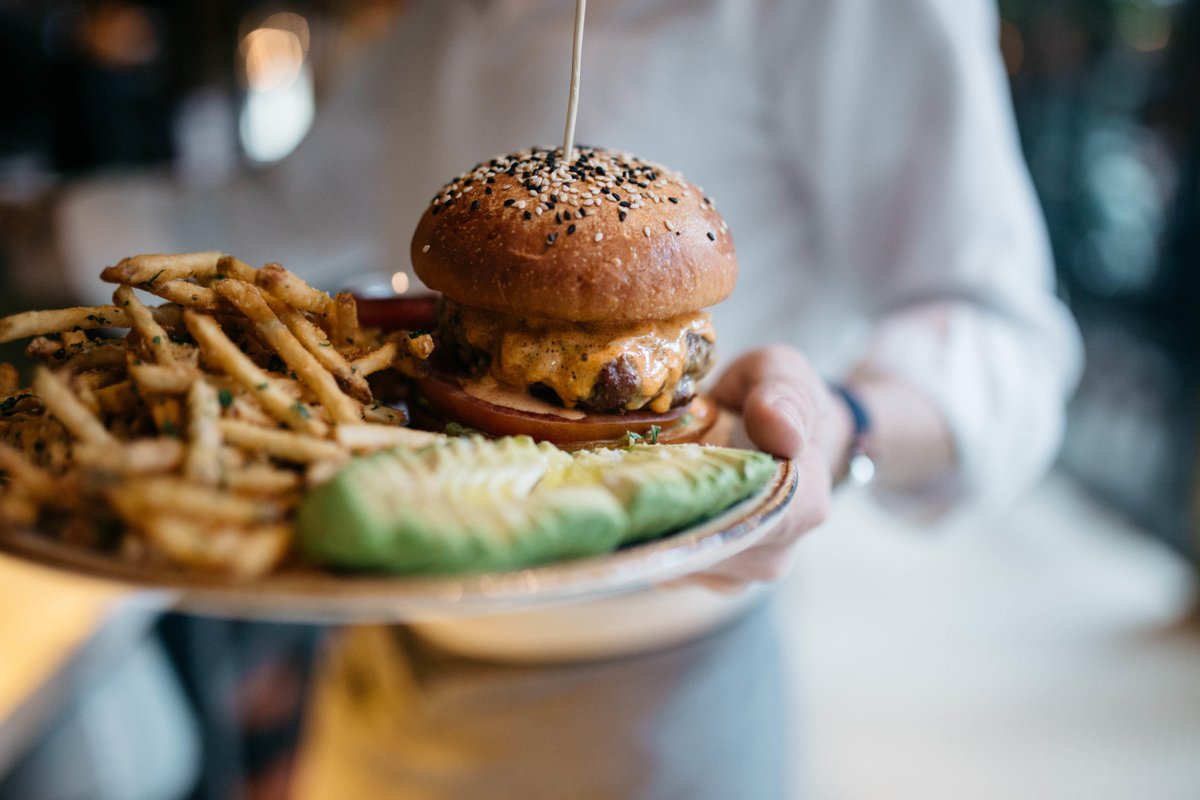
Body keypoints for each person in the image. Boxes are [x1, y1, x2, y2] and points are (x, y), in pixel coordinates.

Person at [37, 0, 1081, 797]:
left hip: (659, 694)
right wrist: (33, 231)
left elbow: (1001, 328)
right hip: (376, 638)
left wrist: (844, 424)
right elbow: (292, 206)